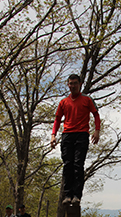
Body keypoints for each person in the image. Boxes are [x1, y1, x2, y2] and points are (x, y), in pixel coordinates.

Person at [51, 73, 101, 205]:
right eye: (70, 83)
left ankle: (77, 195)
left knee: (78, 165)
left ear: (80, 84)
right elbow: (57, 119)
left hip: (82, 134)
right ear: (68, 85)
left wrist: (97, 131)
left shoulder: (87, 99)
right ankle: (67, 195)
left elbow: (96, 114)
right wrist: (53, 135)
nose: (72, 86)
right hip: (67, 134)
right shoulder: (63, 102)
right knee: (68, 165)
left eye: (75, 83)